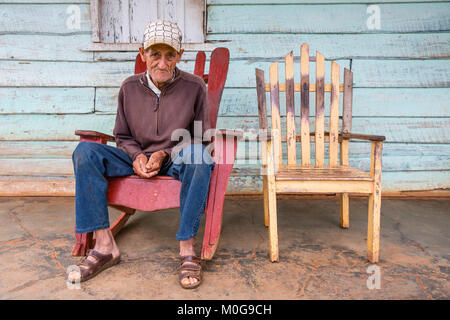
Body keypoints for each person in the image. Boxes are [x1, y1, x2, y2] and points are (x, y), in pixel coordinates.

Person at [68, 19, 215, 289]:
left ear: (179, 56)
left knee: (201, 158)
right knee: (85, 151)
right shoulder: (129, 88)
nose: (162, 63)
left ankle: (187, 248)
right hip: (133, 158)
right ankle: (103, 245)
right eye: (154, 54)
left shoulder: (194, 87)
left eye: (170, 55)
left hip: (175, 158)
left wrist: (162, 154)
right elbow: (122, 136)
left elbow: (199, 137)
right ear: (142, 54)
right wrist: (136, 156)